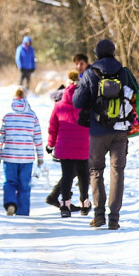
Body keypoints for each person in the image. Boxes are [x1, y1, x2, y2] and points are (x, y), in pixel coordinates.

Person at [72, 38, 139, 230]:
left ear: (96, 54)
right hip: (120, 130)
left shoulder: (89, 73)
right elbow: (138, 95)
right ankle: (114, 219)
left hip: (97, 130)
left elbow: (77, 102)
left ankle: (99, 214)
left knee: (96, 171)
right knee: (117, 171)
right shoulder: (124, 72)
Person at [46, 71, 90, 217]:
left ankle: (65, 206)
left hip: (64, 147)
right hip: (83, 146)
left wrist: (50, 145)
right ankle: (85, 203)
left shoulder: (58, 105)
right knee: (84, 174)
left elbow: (53, 128)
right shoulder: (85, 103)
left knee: (67, 176)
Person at [0, 88, 44, 215]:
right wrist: (40, 156)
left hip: (10, 156)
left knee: (10, 182)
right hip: (27, 157)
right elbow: (38, 138)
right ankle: (22, 212)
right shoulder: (32, 116)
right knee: (24, 185)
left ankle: (11, 203)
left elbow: (1, 137)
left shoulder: (7, 115)